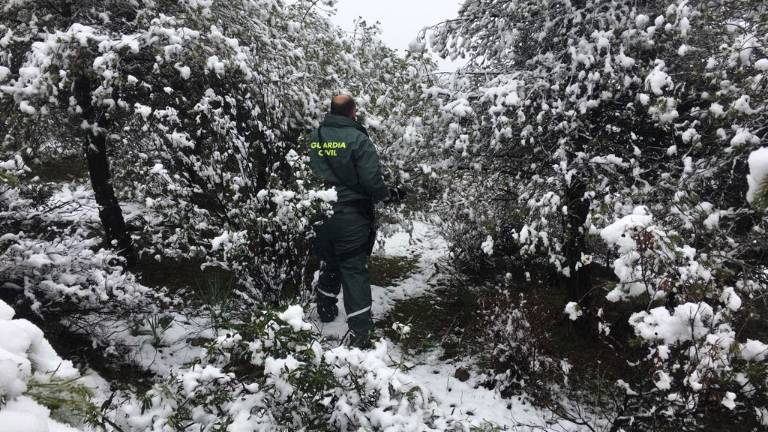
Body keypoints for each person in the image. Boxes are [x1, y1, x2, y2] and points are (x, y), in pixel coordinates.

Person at [307, 95, 404, 349]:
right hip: (351, 214)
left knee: (330, 259)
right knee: (353, 268)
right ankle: (361, 334)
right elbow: (372, 182)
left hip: (318, 211)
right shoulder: (359, 140)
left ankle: (325, 310)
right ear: (353, 113)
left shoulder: (314, 137)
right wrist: (389, 194)